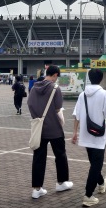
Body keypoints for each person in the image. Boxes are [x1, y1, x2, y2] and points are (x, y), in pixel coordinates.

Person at [71, 69, 106, 207]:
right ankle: (88, 195)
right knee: (96, 165)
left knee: (94, 164)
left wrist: (75, 133)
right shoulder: (104, 94)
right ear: (101, 79)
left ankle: (102, 183)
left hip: (86, 135)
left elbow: (76, 116)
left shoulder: (82, 95)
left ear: (89, 78)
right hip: (99, 136)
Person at [27, 65, 72, 199]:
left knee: (38, 158)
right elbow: (58, 109)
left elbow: (29, 104)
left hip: (39, 129)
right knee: (60, 155)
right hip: (54, 129)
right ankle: (61, 182)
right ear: (55, 75)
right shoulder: (55, 88)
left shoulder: (34, 87)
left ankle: (37, 189)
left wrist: (37, 117)